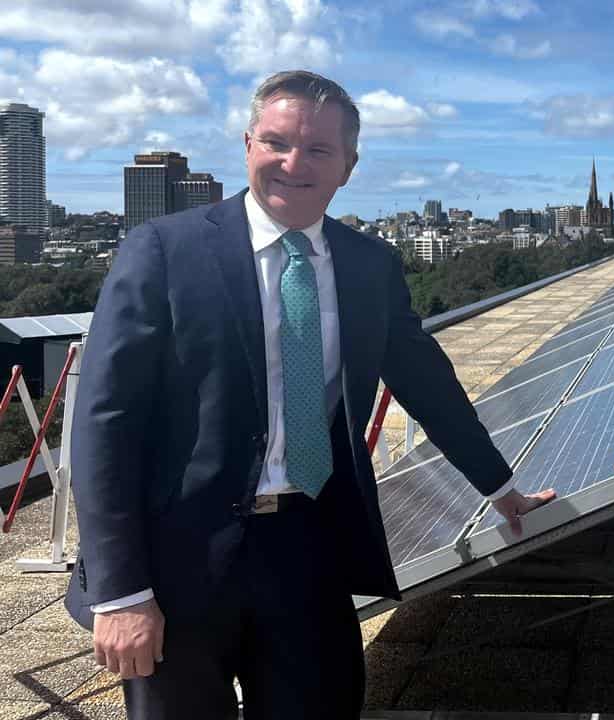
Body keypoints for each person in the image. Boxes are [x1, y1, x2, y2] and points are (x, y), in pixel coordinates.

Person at [65, 70, 555, 719]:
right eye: (276, 142)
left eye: (318, 150)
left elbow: (429, 385)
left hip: (309, 548)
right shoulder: (163, 252)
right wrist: (121, 592)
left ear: (348, 166)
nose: (293, 163)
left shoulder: (369, 266)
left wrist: (501, 489)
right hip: (178, 557)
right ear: (247, 145)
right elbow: (106, 424)